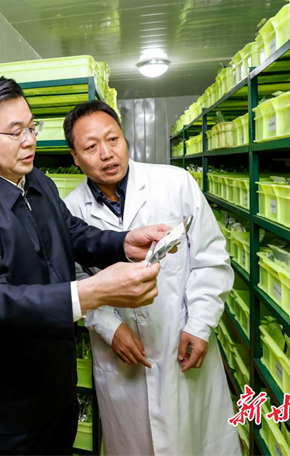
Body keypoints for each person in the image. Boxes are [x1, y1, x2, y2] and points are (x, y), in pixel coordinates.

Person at [0, 76, 172, 456]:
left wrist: (123, 242)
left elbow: (70, 232)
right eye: (15, 132)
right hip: (3, 415)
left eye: (32, 128)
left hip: (56, 395)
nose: (30, 141)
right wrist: (91, 293)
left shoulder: (36, 181)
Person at [62, 101, 241, 456]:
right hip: (123, 363)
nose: (107, 153)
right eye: (91, 147)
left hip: (181, 343)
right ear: (75, 158)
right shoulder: (70, 210)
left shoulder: (175, 183)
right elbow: (75, 280)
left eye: (113, 139)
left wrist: (200, 324)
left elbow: (210, 258)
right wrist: (111, 328)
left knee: (198, 442)